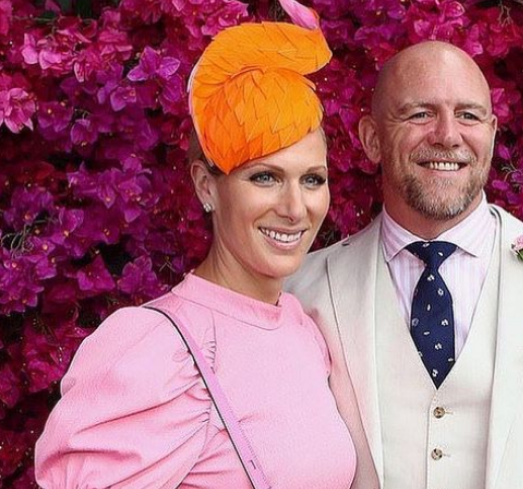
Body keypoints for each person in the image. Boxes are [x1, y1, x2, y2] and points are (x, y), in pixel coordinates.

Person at [286, 41, 523, 489]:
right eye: (420, 114)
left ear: (492, 133)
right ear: (371, 138)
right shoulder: (300, 291)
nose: (447, 135)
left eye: (468, 115)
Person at [34, 2, 362, 487]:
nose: (296, 208)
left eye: (312, 179)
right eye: (265, 177)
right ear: (207, 186)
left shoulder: (301, 328)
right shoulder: (157, 346)